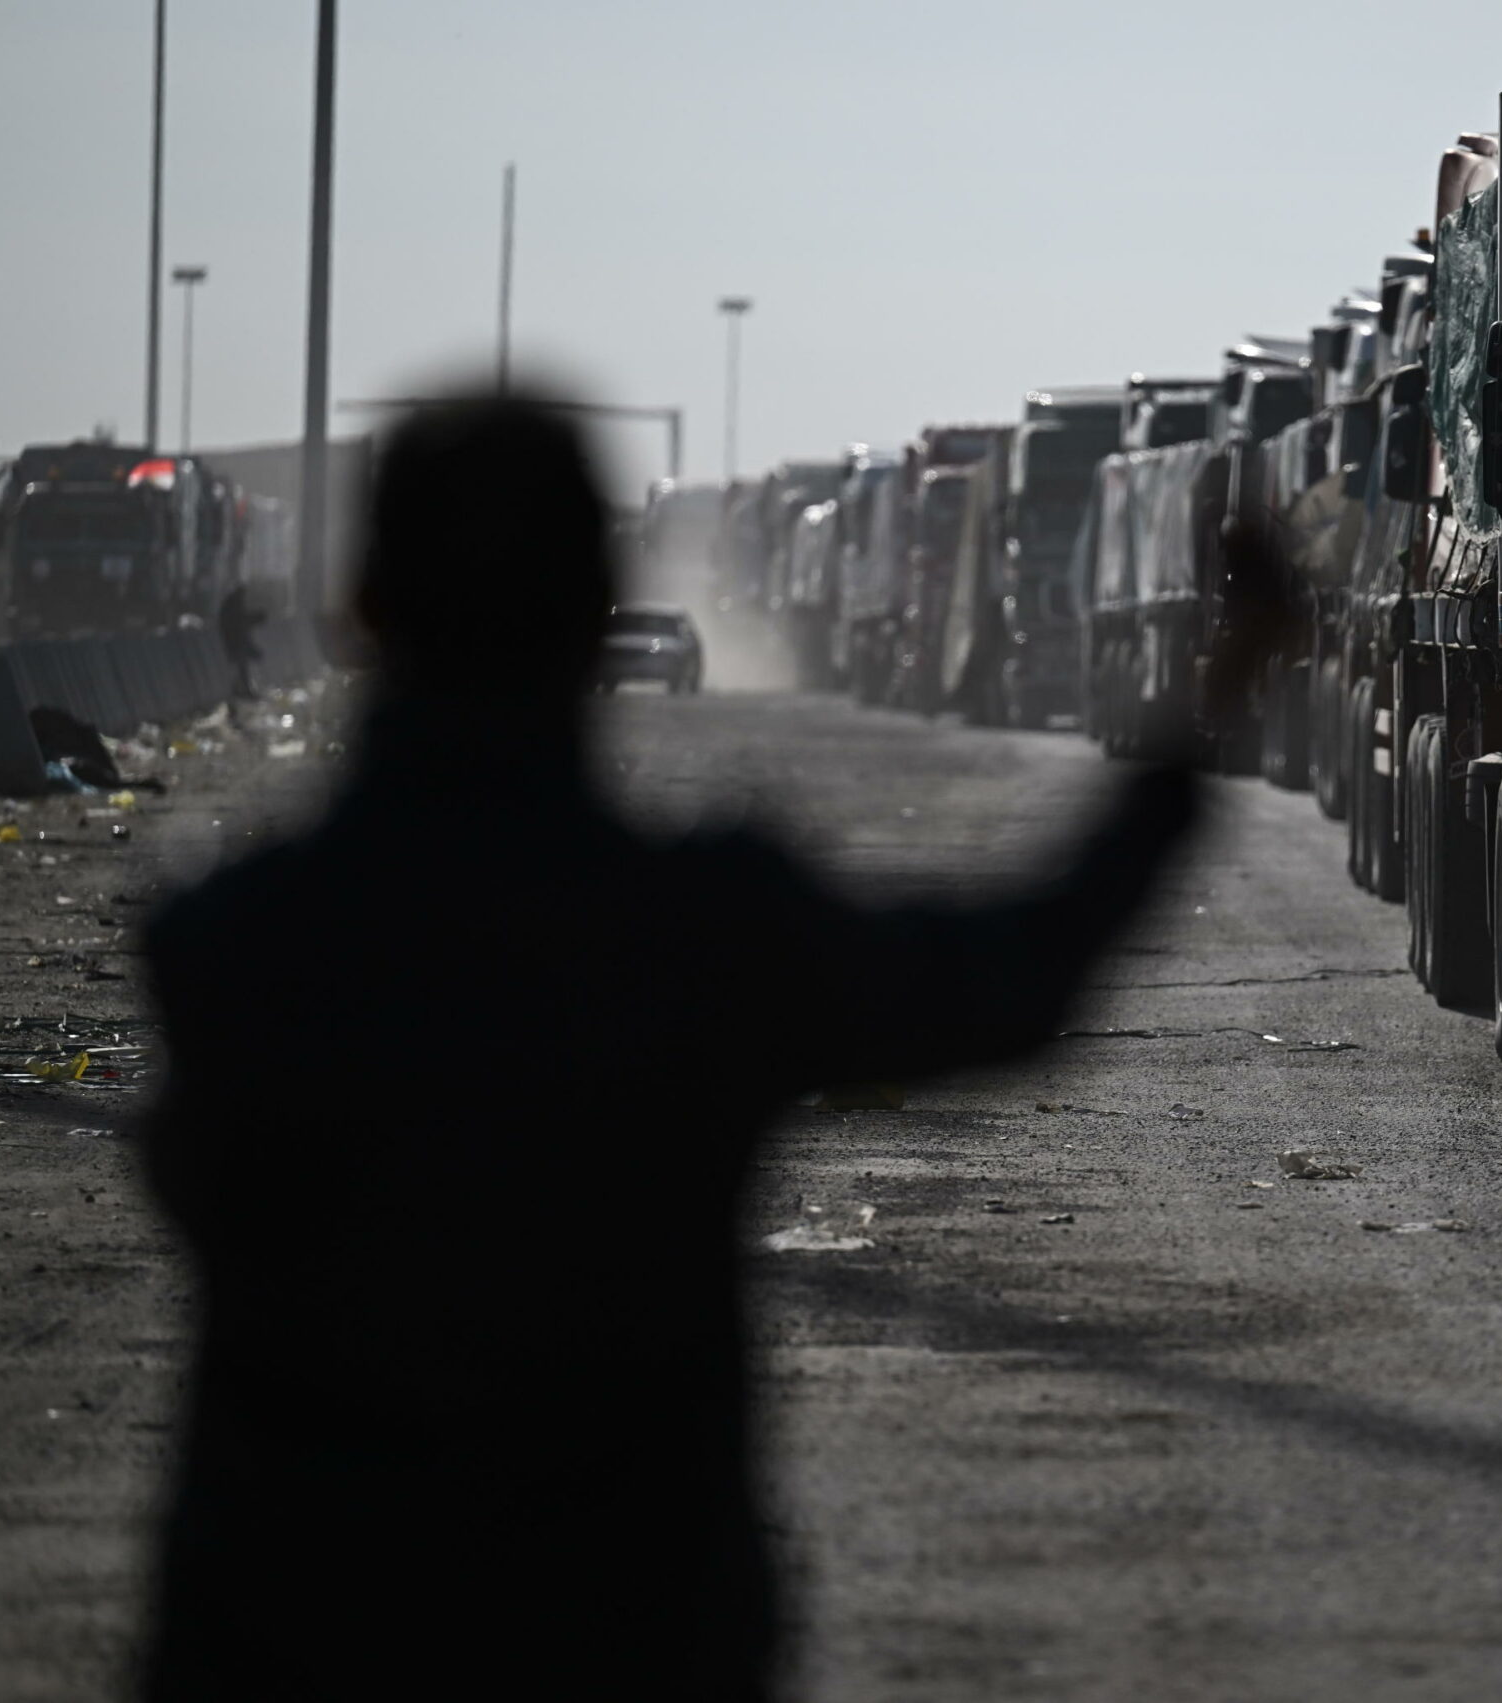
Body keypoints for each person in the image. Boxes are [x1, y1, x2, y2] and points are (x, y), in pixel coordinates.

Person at [136, 393, 1270, 1699]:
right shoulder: (700, 930)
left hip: (290, 1633)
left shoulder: (229, 939)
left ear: (362, 611)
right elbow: (1020, 970)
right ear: (603, 612)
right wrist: (1214, 698)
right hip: (625, 1629)